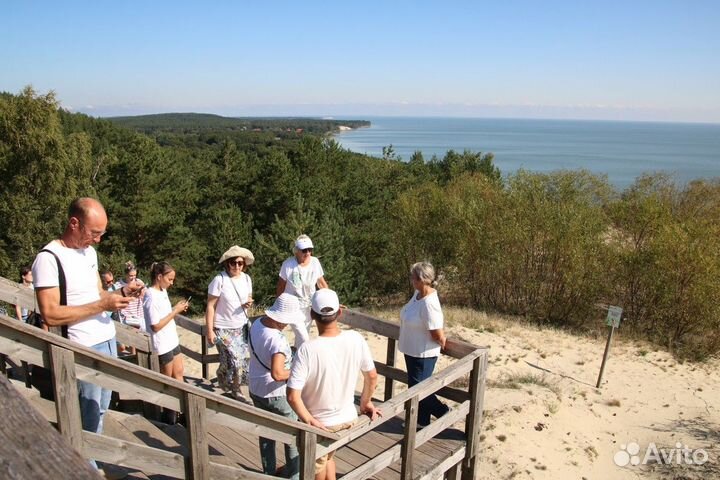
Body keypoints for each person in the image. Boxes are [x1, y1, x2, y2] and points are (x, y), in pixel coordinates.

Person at [32, 197, 142, 469]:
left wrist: (120, 294)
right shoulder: (48, 259)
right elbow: (51, 313)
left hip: (105, 339)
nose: (98, 240)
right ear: (74, 223)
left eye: (101, 234)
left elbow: (97, 295)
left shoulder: (89, 253)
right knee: (87, 418)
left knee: (101, 410)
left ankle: (88, 463)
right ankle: (83, 469)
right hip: (81, 348)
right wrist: (102, 304)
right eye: (94, 233)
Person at [287, 288, 381, 480]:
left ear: (312, 314)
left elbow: (292, 396)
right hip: (347, 418)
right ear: (340, 312)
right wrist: (365, 402)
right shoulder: (355, 338)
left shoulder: (307, 350)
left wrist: (308, 420)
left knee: (315, 468)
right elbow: (371, 376)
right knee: (328, 457)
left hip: (320, 425)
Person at [248, 293, 303, 480]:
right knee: (293, 437)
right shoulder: (277, 340)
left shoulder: (256, 324)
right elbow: (278, 374)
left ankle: (268, 473)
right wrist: (298, 372)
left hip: (256, 387)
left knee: (266, 434)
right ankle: (295, 476)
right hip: (275, 393)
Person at [398, 262, 449, 428]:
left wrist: (442, 343)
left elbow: (437, 333)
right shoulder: (417, 294)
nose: (411, 280)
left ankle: (443, 412)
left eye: (413, 277)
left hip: (423, 354)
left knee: (419, 390)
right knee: (417, 387)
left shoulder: (429, 303)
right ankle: (421, 422)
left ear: (420, 279)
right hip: (412, 350)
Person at [205, 245, 255, 401]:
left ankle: (234, 387)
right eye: (234, 263)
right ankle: (231, 384)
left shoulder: (246, 279)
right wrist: (210, 330)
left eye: (240, 263)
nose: (237, 266)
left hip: (241, 326)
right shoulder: (219, 280)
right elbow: (210, 305)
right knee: (234, 359)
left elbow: (248, 297)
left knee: (237, 361)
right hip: (223, 328)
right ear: (227, 263)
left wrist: (248, 303)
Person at [276, 234, 328, 348]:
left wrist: (330, 300)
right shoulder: (288, 265)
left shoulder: (315, 262)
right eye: (304, 250)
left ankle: (296, 360)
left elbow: (321, 283)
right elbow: (281, 286)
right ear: (297, 251)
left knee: (301, 338)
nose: (308, 253)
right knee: (304, 338)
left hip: (309, 307)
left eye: (310, 250)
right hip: (293, 307)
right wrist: (278, 305)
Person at [142, 261, 188, 383]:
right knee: (166, 378)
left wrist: (176, 308)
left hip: (171, 339)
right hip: (162, 343)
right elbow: (155, 326)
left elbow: (165, 313)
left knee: (179, 372)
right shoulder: (150, 296)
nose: (171, 283)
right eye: (170, 279)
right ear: (159, 277)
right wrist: (175, 311)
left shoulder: (163, 291)